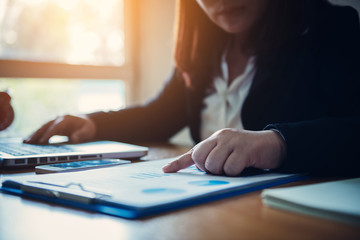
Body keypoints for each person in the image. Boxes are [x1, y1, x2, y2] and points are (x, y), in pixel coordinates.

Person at [26, 0, 360, 177]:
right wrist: (95, 123)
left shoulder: (329, 27)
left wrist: (278, 144)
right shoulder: (205, 48)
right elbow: (160, 114)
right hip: (210, 208)